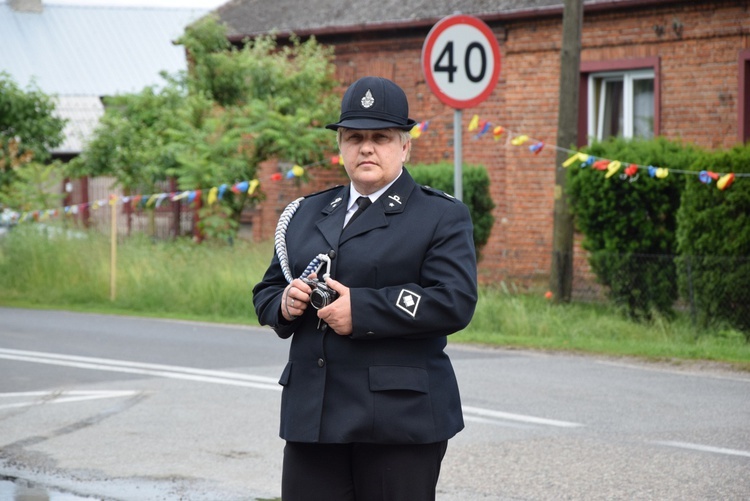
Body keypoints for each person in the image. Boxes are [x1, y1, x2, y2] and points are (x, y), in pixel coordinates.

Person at [252, 76, 478, 501]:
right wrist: (284, 302)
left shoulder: (439, 216)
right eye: (354, 137)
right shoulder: (306, 212)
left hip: (397, 420)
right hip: (313, 414)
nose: (367, 148)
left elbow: (455, 301)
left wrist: (365, 310)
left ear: (405, 146)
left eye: (381, 137)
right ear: (340, 146)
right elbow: (266, 289)